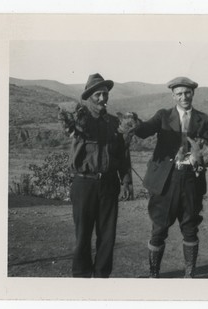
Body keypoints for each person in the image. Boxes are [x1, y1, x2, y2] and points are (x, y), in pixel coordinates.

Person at [134, 77, 208, 278]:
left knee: (190, 227)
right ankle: (154, 274)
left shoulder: (203, 119)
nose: (184, 97)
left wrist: (201, 156)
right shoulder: (163, 116)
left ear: (193, 93)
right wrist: (132, 123)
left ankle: (189, 274)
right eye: (179, 94)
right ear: (173, 96)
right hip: (166, 181)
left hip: (191, 180)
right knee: (159, 228)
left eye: (187, 93)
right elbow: (144, 131)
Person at [64, 73, 133, 278]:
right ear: (89, 97)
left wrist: (127, 179)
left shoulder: (114, 123)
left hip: (109, 184)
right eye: (98, 95)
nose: (103, 98)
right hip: (84, 184)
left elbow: (123, 153)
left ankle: (102, 278)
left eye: (105, 94)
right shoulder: (79, 121)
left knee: (107, 235)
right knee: (83, 235)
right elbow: (69, 127)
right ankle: (82, 278)